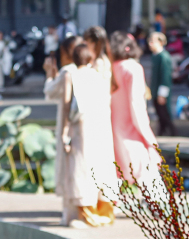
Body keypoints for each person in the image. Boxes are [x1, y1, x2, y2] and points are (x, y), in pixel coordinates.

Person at [56, 43, 117, 228]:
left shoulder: (71, 75)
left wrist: (64, 131)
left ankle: (83, 213)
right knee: (96, 167)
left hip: (80, 128)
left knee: (79, 167)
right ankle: (99, 210)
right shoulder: (98, 76)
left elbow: (67, 105)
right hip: (98, 127)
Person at [108, 31, 161, 186]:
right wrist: (148, 136)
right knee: (146, 175)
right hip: (132, 130)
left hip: (113, 129)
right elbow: (136, 105)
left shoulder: (110, 68)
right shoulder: (133, 68)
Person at [148, 31, 175, 136]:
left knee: (165, 115)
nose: (150, 44)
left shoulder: (164, 57)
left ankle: (173, 134)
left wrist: (162, 94)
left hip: (161, 92)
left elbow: (166, 76)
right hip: (155, 90)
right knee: (160, 115)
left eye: (152, 41)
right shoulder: (155, 56)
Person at [43, 34, 81, 102]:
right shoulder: (88, 68)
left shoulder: (67, 70)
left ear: (65, 53)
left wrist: (49, 73)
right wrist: (57, 75)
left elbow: (50, 92)